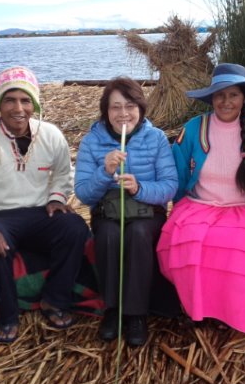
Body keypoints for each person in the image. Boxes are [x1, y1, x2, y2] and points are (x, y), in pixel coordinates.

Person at [0, 66, 89, 343]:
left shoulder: (50, 134)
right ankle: (8, 314)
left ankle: (55, 299)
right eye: (10, 99)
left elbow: (64, 172)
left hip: (39, 212)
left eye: (25, 101)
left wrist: (56, 198)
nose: (19, 108)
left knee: (74, 227)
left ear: (34, 104)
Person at [157, 63, 245, 333]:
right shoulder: (193, 129)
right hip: (199, 205)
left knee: (235, 247)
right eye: (220, 95)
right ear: (212, 98)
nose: (226, 102)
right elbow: (179, 170)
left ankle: (234, 312)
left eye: (233, 95)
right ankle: (198, 310)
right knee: (192, 243)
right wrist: (177, 203)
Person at [75, 78, 178, 346]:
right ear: (105, 111)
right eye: (115, 107)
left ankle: (136, 314)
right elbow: (84, 193)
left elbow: (169, 187)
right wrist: (104, 172)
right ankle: (112, 310)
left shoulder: (155, 138)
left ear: (140, 108)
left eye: (130, 106)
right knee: (109, 234)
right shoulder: (92, 141)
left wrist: (139, 188)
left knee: (139, 233)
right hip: (107, 211)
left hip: (148, 212)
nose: (123, 114)